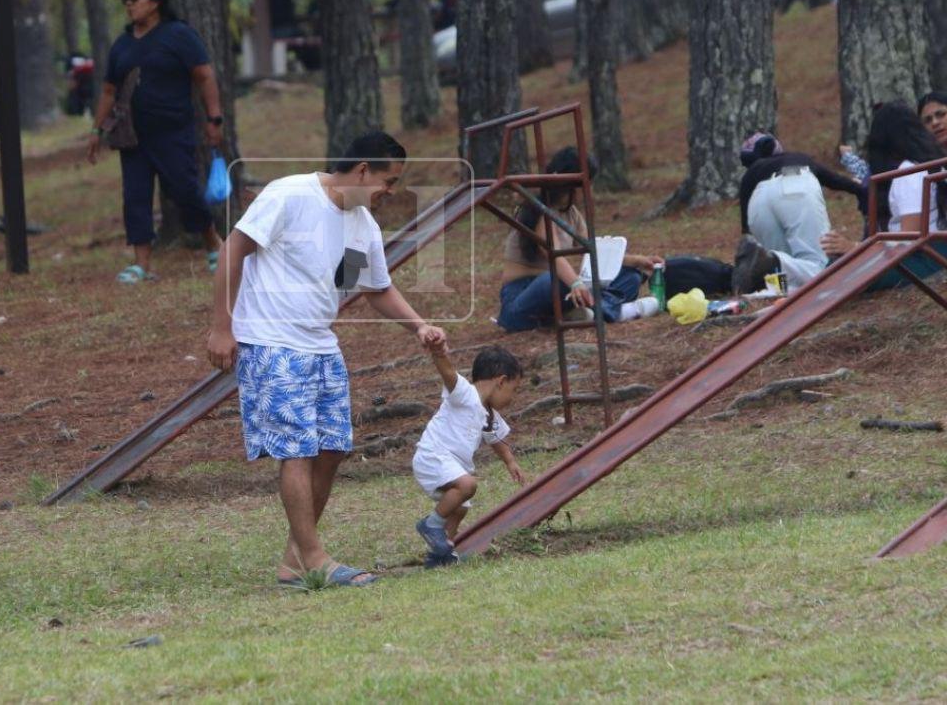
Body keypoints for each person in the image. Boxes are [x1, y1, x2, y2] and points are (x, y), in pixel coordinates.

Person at [206, 132, 446, 588]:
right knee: (296, 449)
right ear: (361, 171)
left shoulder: (361, 224)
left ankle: (295, 560)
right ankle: (314, 559)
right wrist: (222, 325)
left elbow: (372, 289)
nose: (390, 192)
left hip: (320, 345)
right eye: (387, 180)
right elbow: (233, 248)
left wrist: (418, 325)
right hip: (272, 342)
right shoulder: (290, 195)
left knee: (333, 447)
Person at [87, 0, 224, 283]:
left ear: (155, 2)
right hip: (132, 135)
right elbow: (109, 90)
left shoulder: (179, 35)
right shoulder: (122, 45)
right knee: (135, 196)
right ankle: (142, 264)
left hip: (173, 131)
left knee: (185, 189)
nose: (129, 4)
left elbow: (204, 76)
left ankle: (213, 245)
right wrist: (96, 131)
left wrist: (214, 118)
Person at [497, 147, 660, 332]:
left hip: (560, 294)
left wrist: (637, 261)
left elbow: (591, 249)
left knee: (630, 277)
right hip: (523, 297)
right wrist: (575, 283)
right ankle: (615, 311)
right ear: (570, 184)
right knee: (555, 281)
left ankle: (571, 316)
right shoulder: (538, 211)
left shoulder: (571, 214)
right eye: (586, 184)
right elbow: (555, 256)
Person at [413, 343, 526, 567]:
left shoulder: (489, 415)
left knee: (460, 508)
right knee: (468, 485)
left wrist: (510, 462)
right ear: (501, 381)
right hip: (433, 457)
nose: (512, 398)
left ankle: (441, 554)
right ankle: (431, 525)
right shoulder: (464, 394)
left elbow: (497, 441)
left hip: (449, 464)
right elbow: (447, 372)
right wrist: (438, 352)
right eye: (513, 390)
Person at [820, 102, 947, 290]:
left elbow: (909, 240)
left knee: (839, 270)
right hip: (929, 253)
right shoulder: (929, 163)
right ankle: (785, 304)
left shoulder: (909, 172)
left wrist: (854, 248)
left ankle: (784, 308)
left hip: (924, 260)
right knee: (837, 266)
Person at [731, 132, 865, 294]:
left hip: (758, 199)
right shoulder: (798, 158)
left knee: (779, 276)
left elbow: (746, 232)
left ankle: (770, 270)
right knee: (819, 265)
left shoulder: (750, 174)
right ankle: (774, 262)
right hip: (795, 181)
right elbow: (836, 180)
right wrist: (861, 190)